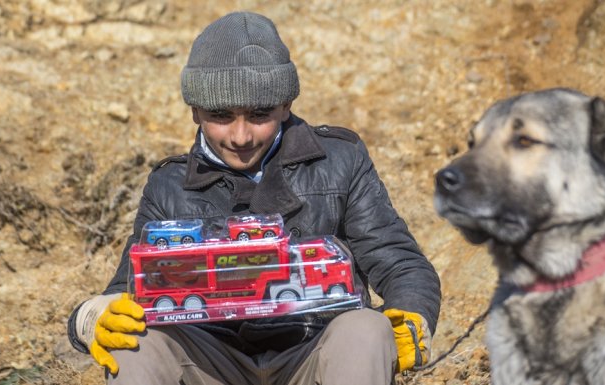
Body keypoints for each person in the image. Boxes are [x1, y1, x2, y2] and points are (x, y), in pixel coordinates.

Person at [67, 11, 441, 385]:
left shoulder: (340, 161)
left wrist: (411, 316)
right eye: (221, 115)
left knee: (367, 328)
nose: (241, 137)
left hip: (315, 354)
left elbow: (401, 264)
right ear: (195, 110)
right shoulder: (169, 186)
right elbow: (127, 293)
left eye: (259, 114)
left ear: (285, 105)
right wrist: (92, 317)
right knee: (135, 339)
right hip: (210, 363)